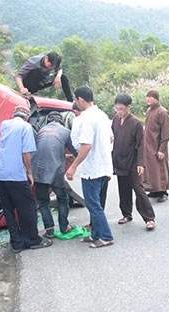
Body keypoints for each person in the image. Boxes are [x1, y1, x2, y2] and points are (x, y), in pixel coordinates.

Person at [0, 106, 52, 253]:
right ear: (26, 116)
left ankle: (16, 242)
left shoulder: (4, 125)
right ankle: (32, 239)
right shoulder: (25, 127)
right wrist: (30, 172)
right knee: (27, 207)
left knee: (8, 209)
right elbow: (26, 152)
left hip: (1, 173)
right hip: (16, 175)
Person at [66, 86, 114, 248]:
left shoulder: (87, 118)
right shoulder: (102, 115)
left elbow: (86, 145)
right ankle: (95, 235)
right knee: (96, 203)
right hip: (104, 166)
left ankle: (106, 236)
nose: (75, 102)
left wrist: (73, 166)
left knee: (93, 205)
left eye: (75, 100)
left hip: (92, 169)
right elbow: (111, 138)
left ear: (80, 99)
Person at [111, 93, 156, 230]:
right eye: (117, 109)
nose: (119, 112)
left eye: (122, 109)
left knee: (139, 189)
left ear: (128, 107)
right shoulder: (115, 120)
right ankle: (126, 214)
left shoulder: (135, 123)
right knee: (123, 188)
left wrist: (140, 163)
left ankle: (149, 218)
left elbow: (141, 145)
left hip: (133, 161)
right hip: (119, 159)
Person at [32, 111, 78, 239]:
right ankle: (64, 227)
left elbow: (43, 148)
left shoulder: (41, 131)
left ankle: (50, 230)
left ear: (48, 120)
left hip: (38, 170)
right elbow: (75, 151)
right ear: (61, 121)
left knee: (43, 201)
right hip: (55, 171)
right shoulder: (65, 131)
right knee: (63, 199)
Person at [143, 89, 169, 203]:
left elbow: (165, 133)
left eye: (151, 97)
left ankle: (163, 191)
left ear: (157, 99)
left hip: (158, 145)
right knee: (151, 169)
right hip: (149, 145)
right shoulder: (149, 110)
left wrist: (162, 149)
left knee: (160, 168)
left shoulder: (162, 112)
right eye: (147, 96)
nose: (148, 99)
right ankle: (154, 190)